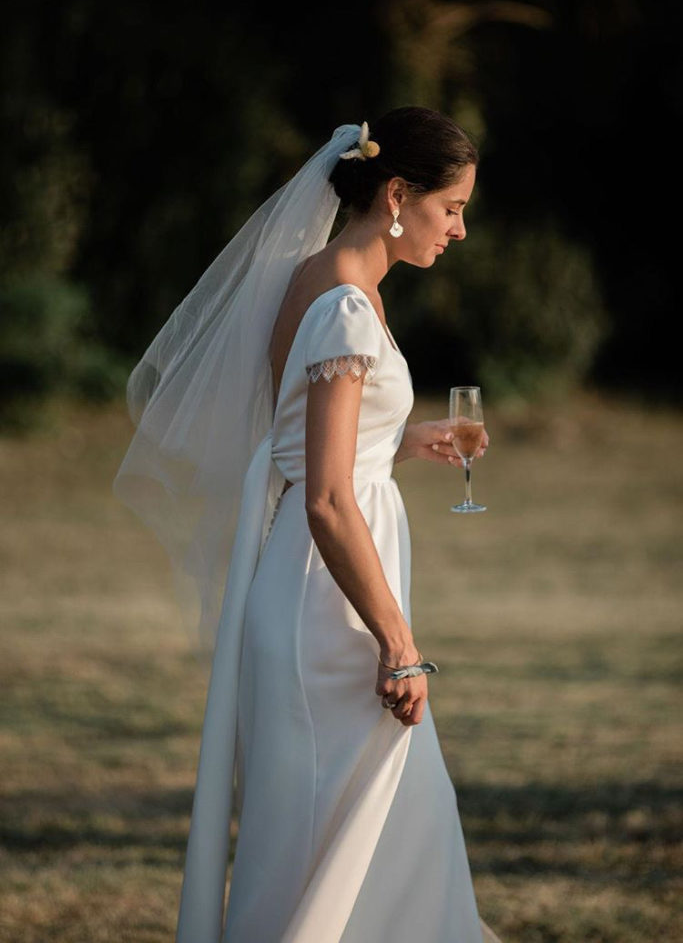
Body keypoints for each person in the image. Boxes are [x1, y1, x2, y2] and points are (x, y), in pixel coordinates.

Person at [113, 106, 502, 942]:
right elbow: (326, 498)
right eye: (452, 208)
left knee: (339, 834)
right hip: (329, 607)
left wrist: (398, 442)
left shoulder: (313, 279)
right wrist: (400, 645)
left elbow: (306, 448)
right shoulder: (346, 312)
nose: (459, 231)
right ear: (397, 194)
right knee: (356, 826)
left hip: (309, 584)